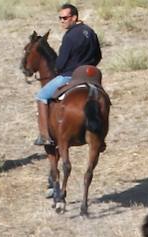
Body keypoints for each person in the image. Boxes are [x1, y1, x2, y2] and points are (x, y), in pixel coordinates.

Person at [33, 3, 101, 146]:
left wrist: (58, 69)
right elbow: (98, 56)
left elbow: (60, 63)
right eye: (60, 18)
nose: (62, 21)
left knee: (41, 96)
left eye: (65, 17)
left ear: (74, 17)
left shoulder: (69, 36)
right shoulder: (90, 32)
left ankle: (45, 136)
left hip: (71, 76)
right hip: (90, 76)